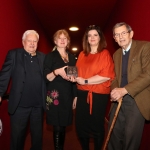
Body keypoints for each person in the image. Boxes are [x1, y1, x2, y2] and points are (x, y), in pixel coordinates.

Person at [0, 30, 46, 150]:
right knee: (17, 139)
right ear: (23, 42)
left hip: (38, 106)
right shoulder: (14, 55)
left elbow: (49, 77)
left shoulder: (43, 57)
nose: (32, 43)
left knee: (37, 138)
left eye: (35, 41)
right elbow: (4, 76)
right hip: (19, 106)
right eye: (29, 41)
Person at [108, 22, 150, 150]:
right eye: (117, 35)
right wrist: (115, 90)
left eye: (123, 33)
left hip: (136, 100)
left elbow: (148, 74)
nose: (120, 37)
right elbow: (114, 77)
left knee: (130, 141)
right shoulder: (116, 54)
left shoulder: (145, 47)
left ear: (131, 34)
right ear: (114, 38)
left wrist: (125, 90)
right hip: (119, 101)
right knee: (113, 138)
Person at [73, 25, 115, 150]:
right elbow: (77, 74)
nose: (92, 38)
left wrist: (85, 81)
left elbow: (106, 76)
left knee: (97, 126)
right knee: (80, 126)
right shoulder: (81, 54)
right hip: (81, 95)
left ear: (100, 37)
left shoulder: (104, 54)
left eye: (95, 35)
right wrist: (75, 92)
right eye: (89, 35)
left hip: (98, 96)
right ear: (86, 38)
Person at [44, 29, 77, 150]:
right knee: (57, 126)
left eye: (65, 38)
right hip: (55, 94)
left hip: (67, 95)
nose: (62, 40)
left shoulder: (72, 58)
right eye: (60, 38)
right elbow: (46, 77)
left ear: (68, 41)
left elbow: (74, 79)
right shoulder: (50, 56)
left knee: (63, 124)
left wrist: (76, 96)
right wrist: (57, 72)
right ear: (55, 41)